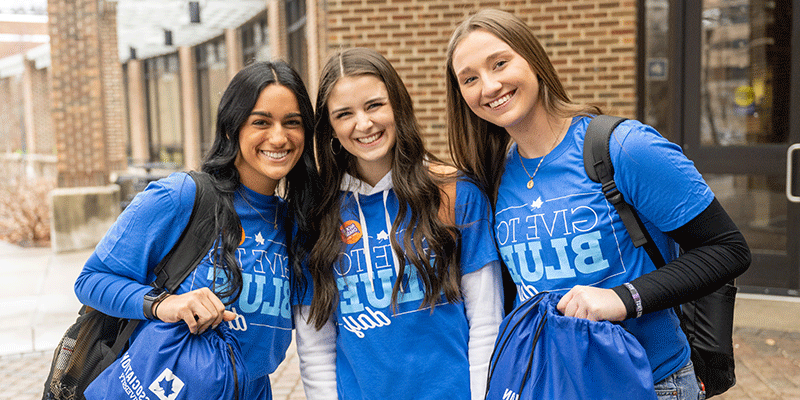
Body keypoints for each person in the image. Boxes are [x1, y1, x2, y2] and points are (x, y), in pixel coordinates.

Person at [445, 9, 751, 400]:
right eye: (469, 79)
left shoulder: (622, 147)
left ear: (533, 60)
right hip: (551, 382)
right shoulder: (493, 177)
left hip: (650, 382)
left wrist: (621, 298)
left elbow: (727, 249)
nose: (488, 85)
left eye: (500, 63)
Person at [74, 60, 320, 399]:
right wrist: (165, 304)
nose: (278, 137)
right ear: (234, 128)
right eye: (261, 122)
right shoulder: (182, 198)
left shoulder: (296, 226)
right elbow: (91, 281)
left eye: (292, 123)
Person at [293, 47, 503, 400]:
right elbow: (315, 346)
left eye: (374, 105)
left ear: (398, 107)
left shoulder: (455, 193)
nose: (363, 123)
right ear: (330, 128)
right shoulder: (314, 218)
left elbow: (486, 321)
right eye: (344, 114)